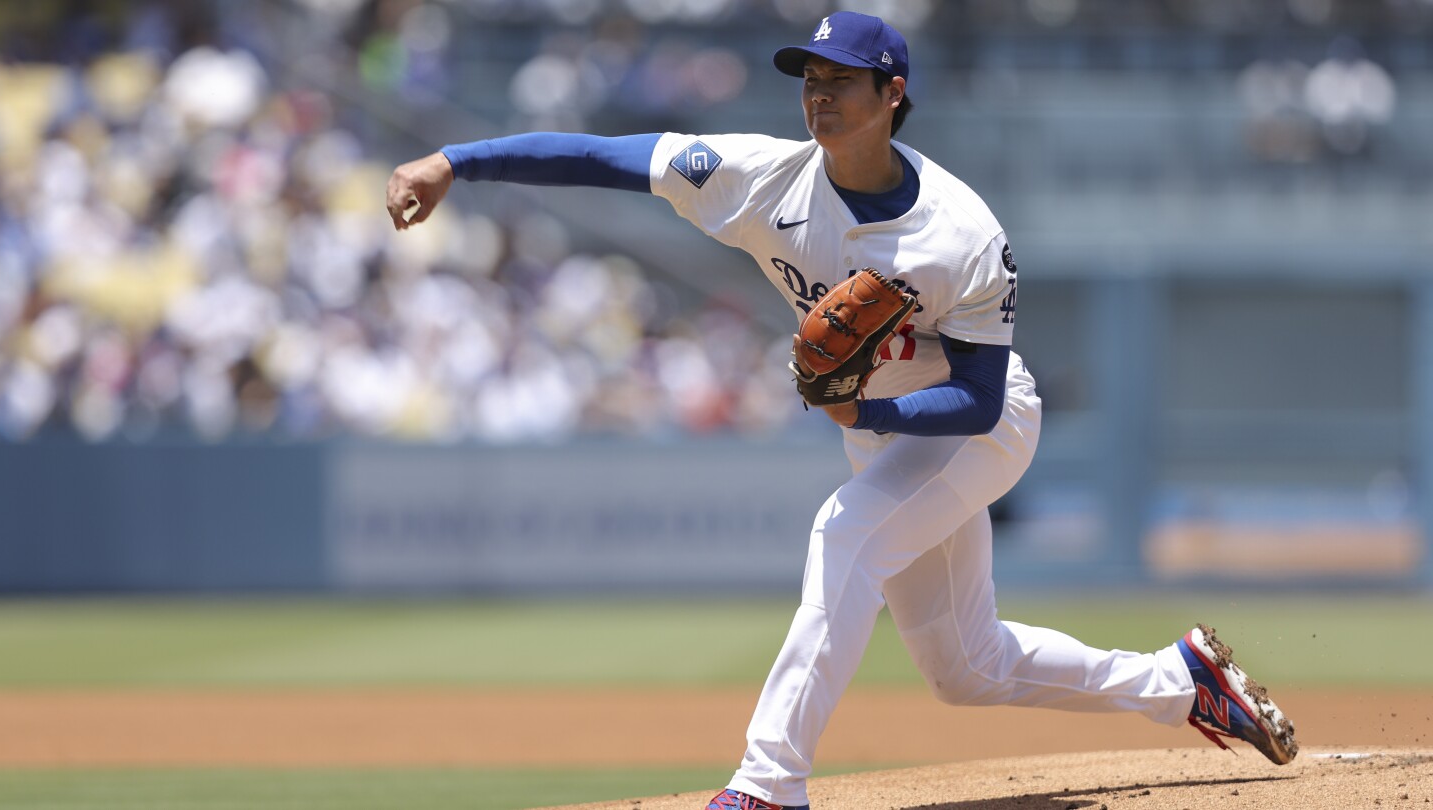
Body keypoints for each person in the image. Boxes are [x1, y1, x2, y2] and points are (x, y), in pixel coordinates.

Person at [385, 12, 1299, 810]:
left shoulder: (961, 232)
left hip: (978, 427)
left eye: (839, 81)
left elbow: (980, 397)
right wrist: (453, 161)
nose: (816, 96)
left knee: (846, 533)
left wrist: (867, 418)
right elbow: (603, 158)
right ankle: (1182, 683)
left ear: (892, 93)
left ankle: (767, 784)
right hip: (886, 434)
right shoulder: (756, 178)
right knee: (965, 669)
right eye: (809, 79)